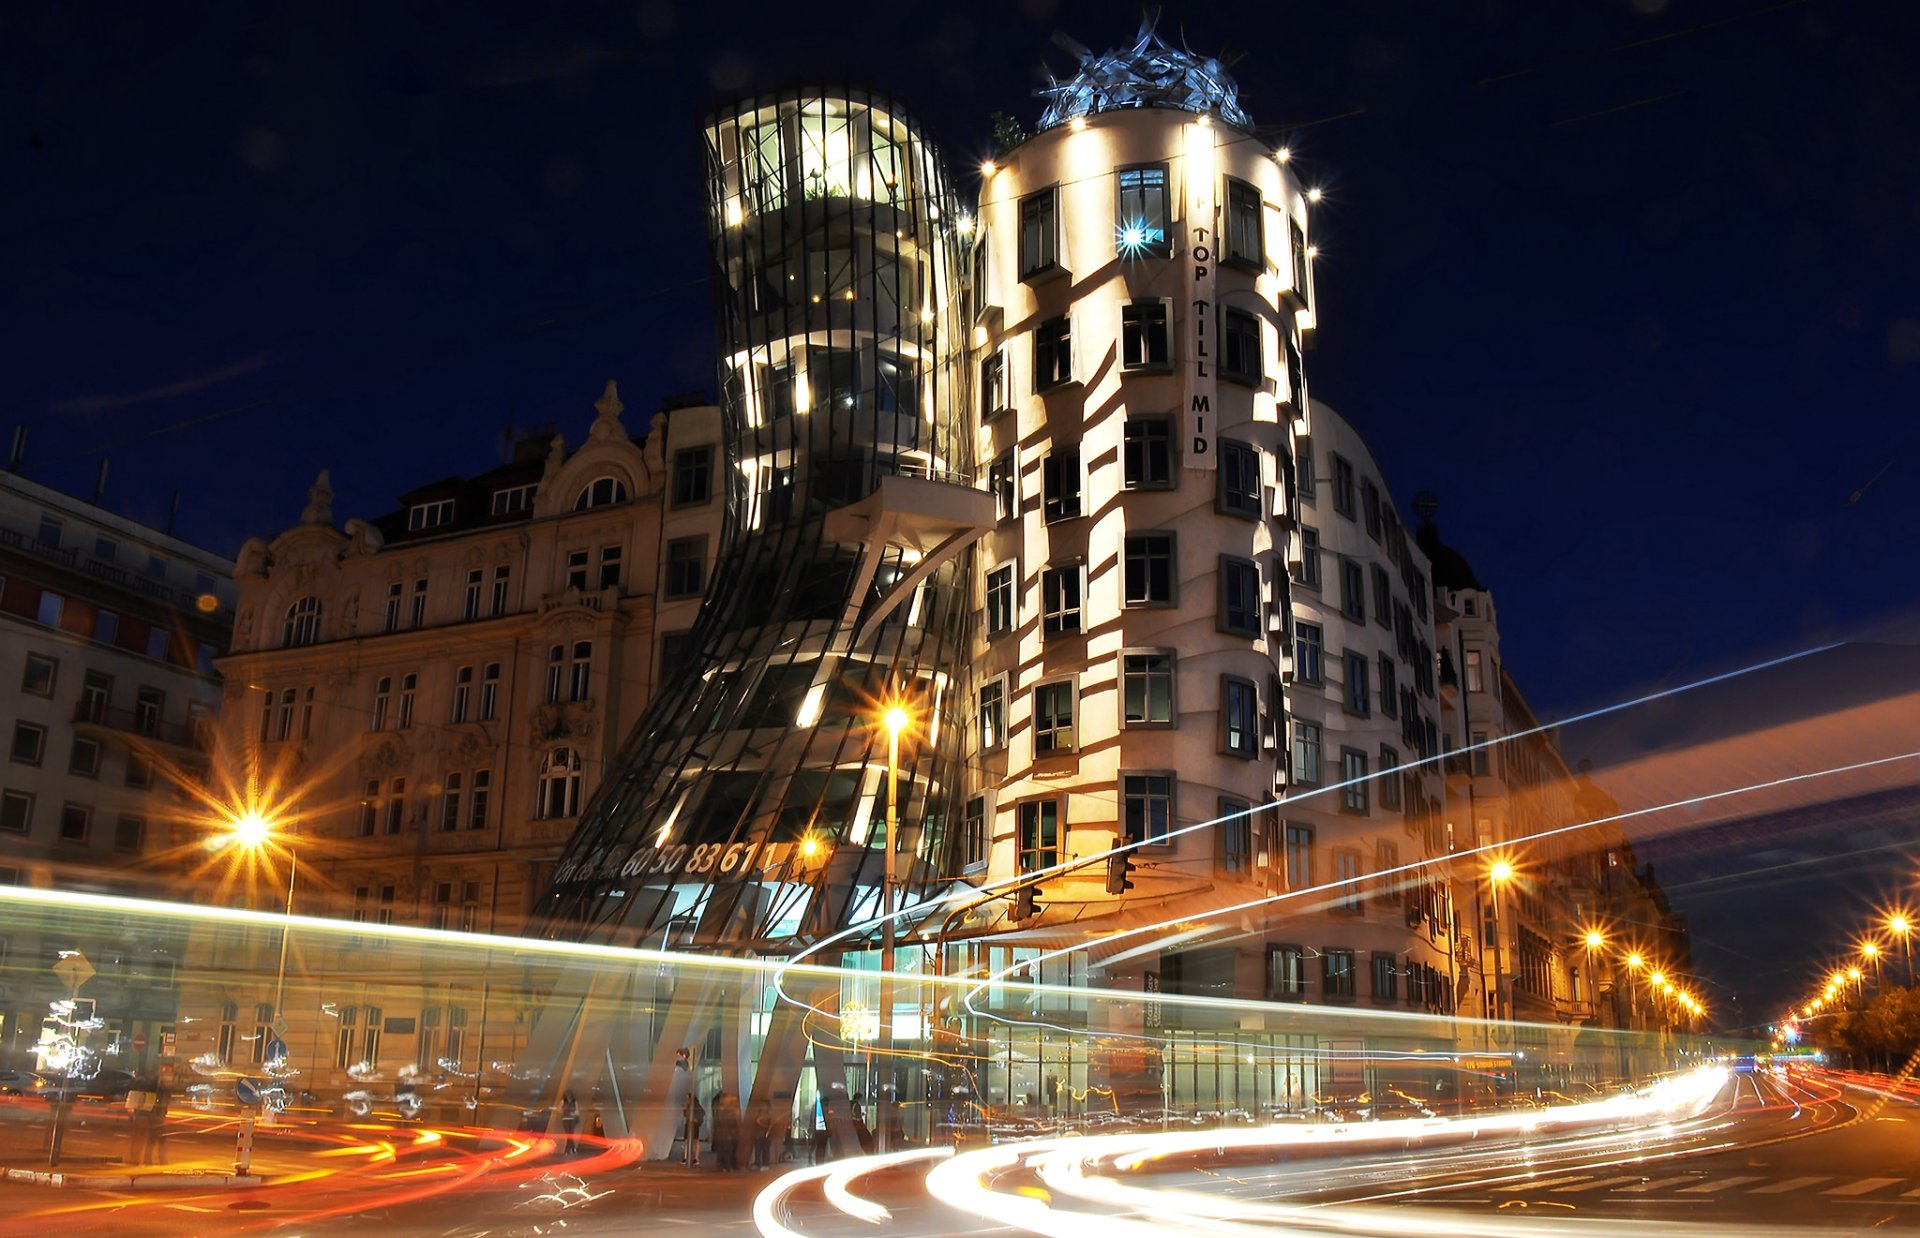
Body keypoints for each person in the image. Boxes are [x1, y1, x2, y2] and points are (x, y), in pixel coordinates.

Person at [711, 1091, 741, 1171]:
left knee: (727, 1150)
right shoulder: (726, 1112)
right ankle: (726, 1166)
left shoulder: (722, 1111)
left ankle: (725, 1165)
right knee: (727, 1151)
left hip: (727, 1135)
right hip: (727, 1135)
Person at [749, 1096, 776, 1169]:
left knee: (765, 1150)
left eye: (764, 1105)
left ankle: (765, 1164)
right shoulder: (757, 1115)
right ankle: (757, 1163)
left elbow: (771, 1126)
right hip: (758, 1136)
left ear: (767, 1107)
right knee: (757, 1150)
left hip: (766, 1136)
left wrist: (768, 1133)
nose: (762, 1107)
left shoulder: (769, 1116)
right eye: (761, 1105)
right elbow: (754, 1126)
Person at [681, 1091, 705, 1167]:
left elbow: (701, 1112)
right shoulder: (691, 1105)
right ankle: (689, 1158)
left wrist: (696, 1119)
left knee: (692, 1140)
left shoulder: (695, 1106)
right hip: (691, 1124)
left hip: (692, 1124)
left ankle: (692, 1158)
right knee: (691, 1141)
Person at [559, 1090, 580, 1156]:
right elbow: (559, 1108)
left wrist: (574, 1113)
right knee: (569, 1135)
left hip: (572, 1119)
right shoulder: (563, 1101)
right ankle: (573, 1150)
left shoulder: (575, 1101)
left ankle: (567, 1151)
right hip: (565, 1119)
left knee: (570, 1135)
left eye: (569, 1094)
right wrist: (563, 1112)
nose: (568, 1096)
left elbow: (577, 1111)